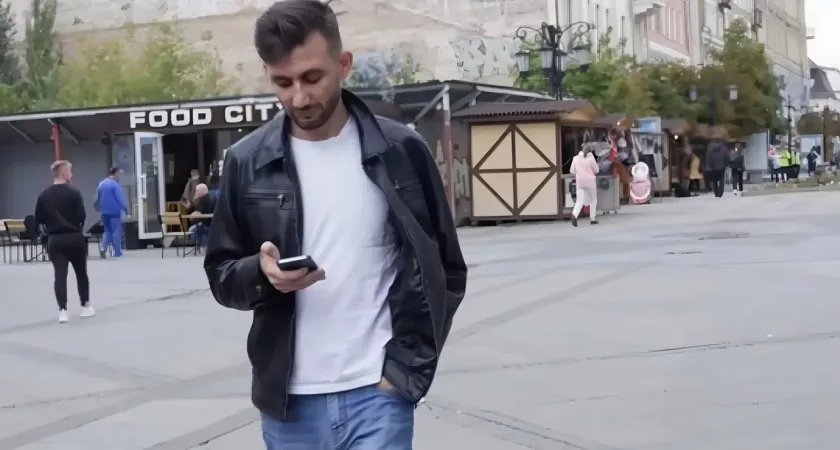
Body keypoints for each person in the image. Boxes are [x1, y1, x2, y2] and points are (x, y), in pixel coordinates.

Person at [203, 1, 467, 448]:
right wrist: (261, 275)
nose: (299, 98)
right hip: (288, 405)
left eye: (312, 78)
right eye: (282, 82)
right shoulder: (247, 161)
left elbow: (444, 268)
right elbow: (221, 274)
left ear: (343, 64)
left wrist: (405, 370)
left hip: (378, 395)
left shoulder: (401, 151)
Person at [34, 160, 94, 324]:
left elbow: (38, 218)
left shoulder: (44, 195)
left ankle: (62, 310)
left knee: (60, 275)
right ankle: (85, 306)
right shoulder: (74, 192)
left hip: (55, 239)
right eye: (69, 171)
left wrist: (44, 233)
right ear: (63, 172)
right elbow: (82, 215)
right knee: (81, 273)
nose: (71, 174)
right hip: (74, 237)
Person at [96, 167, 129, 258]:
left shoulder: (101, 184)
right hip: (115, 211)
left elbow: (97, 198)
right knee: (116, 231)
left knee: (107, 230)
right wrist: (126, 209)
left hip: (104, 211)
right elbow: (120, 199)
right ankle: (117, 252)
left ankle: (103, 248)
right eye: (119, 174)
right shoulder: (115, 185)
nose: (120, 176)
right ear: (116, 173)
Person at [569, 143, 600, 226]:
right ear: (591, 151)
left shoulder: (575, 158)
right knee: (593, 200)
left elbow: (572, 171)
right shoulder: (591, 159)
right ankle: (592, 219)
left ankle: (574, 215)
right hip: (590, 182)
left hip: (580, 181)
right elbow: (596, 170)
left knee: (579, 200)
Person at [186, 183, 215, 248]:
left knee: (191, 229)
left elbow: (195, 216)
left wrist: (191, 216)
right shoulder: (211, 197)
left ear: (200, 191)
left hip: (207, 226)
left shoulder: (204, 200)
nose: (195, 192)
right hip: (215, 225)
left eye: (196, 191)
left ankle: (200, 246)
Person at [704, 127, 729, 198]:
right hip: (722, 166)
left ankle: (716, 192)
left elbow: (708, 156)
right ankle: (720, 192)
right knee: (721, 179)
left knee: (714, 180)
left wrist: (708, 165)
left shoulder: (710, 146)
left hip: (713, 166)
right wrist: (727, 163)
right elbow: (726, 156)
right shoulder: (724, 147)